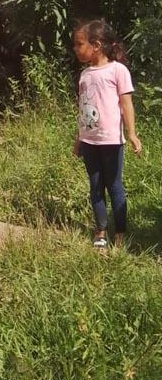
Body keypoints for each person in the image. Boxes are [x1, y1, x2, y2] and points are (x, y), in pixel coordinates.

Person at [72, 19, 141, 250]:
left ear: (97, 45)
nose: (76, 49)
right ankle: (101, 230)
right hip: (89, 141)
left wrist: (131, 133)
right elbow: (83, 109)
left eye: (79, 44)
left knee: (114, 186)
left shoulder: (117, 70)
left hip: (111, 140)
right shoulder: (84, 75)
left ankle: (120, 234)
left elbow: (126, 104)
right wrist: (78, 139)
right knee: (95, 186)